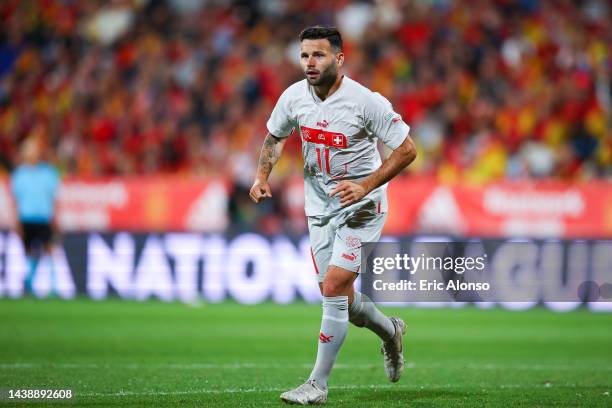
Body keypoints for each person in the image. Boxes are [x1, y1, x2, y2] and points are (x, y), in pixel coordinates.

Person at [249, 26, 417, 405]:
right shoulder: (294, 97)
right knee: (336, 293)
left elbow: (407, 150)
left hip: (362, 209)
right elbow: (275, 137)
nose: (310, 62)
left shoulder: (365, 101)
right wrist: (261, 176)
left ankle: (317, 385)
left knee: (336, 285)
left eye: (319, 55)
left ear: (339, 59)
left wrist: (366, 185)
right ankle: (390, 331)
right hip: (319, 210)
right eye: (305, 55)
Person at [11, 136, 61, 295]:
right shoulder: (19, 174)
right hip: (26, 217)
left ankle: (52, 286)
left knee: (50, 250)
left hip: (44, 217)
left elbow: (53, 198)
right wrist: (16, 221)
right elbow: (16, 201)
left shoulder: (48, 172)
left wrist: (55, 217)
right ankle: (29, 283)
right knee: (30, 253)